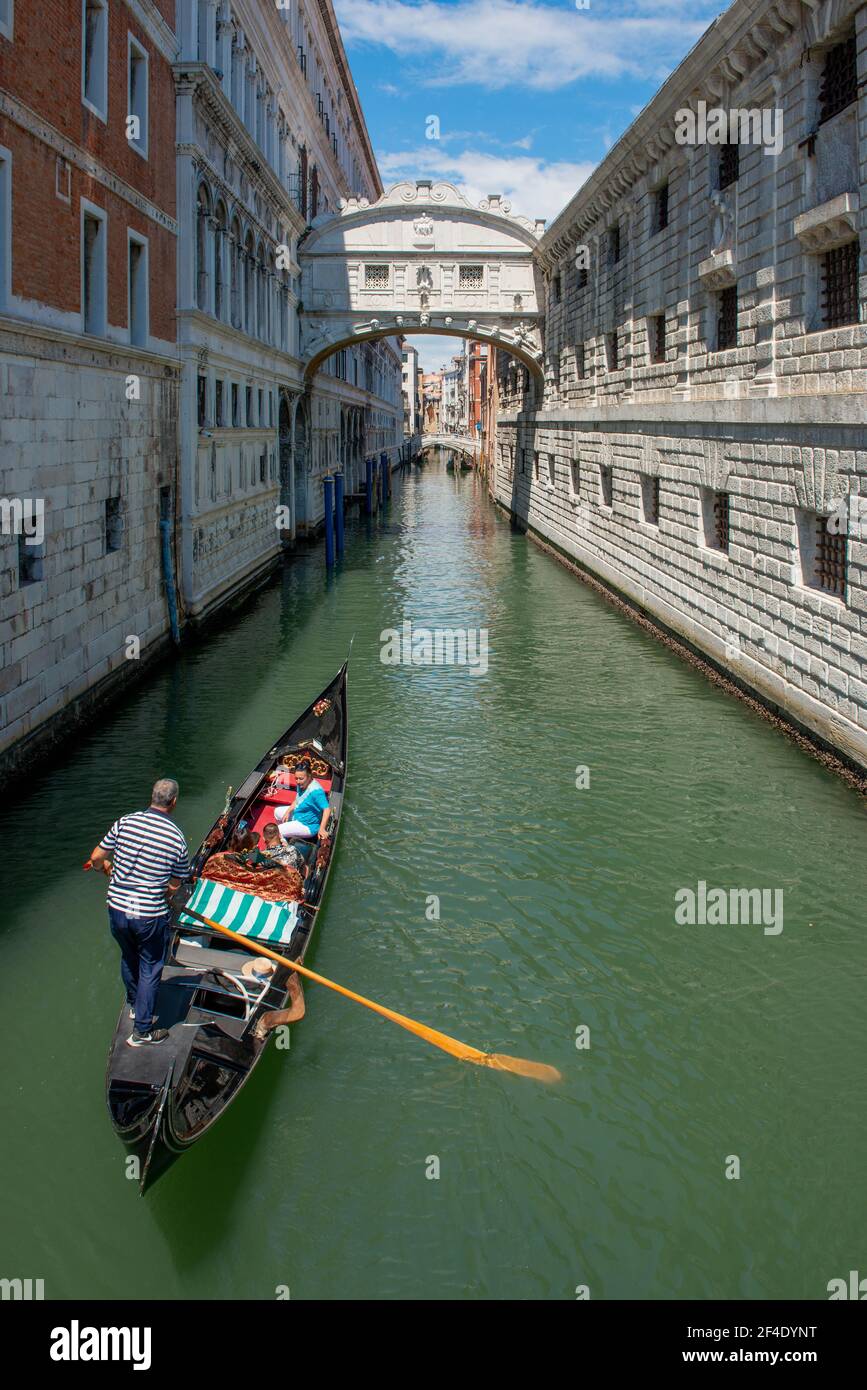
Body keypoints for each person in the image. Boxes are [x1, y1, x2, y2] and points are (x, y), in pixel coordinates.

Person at [89, 778, 190, 1047]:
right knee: (151, 966)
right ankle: (142, 1031)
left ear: (153, 797)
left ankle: (134, 1003)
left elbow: (97, 857)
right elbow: (176, 885)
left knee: (128, 955)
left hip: (117, 909)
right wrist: (164, 893)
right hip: (149, 915)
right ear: (174, 802)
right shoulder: (176, 839)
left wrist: (105, 870)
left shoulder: (125, 822)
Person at [273, 758, 331, 846]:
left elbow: (327, 809)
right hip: (299, 814)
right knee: (276, 812)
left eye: (301, 778)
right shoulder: (301, 785)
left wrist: (322, 829)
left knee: (277, 830)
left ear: (309, 776)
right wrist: (288, 812)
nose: (298, 781)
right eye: (296, 778)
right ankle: (285, 836)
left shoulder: (316, 792)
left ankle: (284, 844)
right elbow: (297, 800)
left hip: (307, 825)